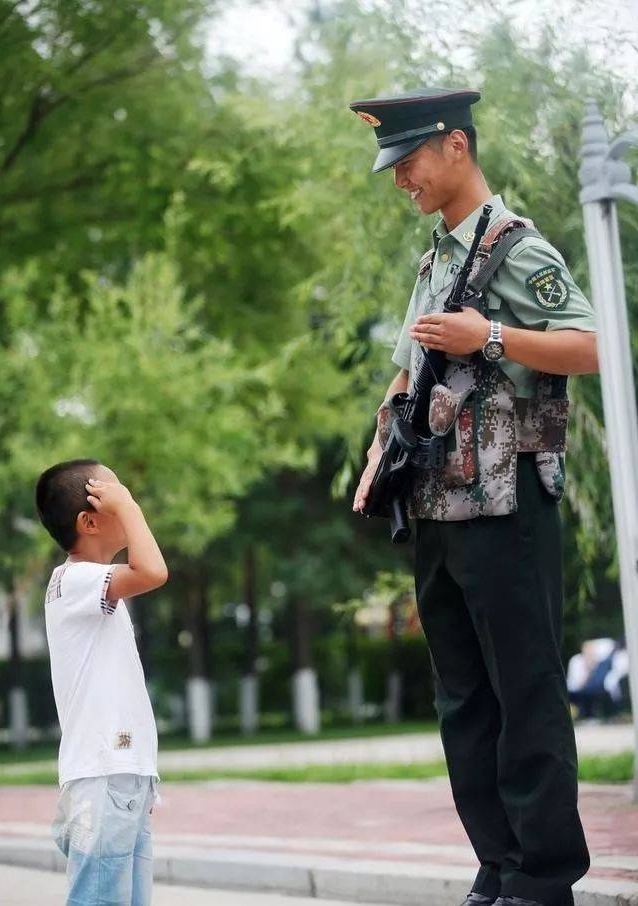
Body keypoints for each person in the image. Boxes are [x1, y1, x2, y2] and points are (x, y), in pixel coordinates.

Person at [350, 88, 598, 906]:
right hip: (438, 505)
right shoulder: (437, 258)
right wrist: (377, 446)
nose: (400, 179)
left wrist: (488, 336)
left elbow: (592, 346)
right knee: (464, 700)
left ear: (456, 146)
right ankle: (496, 865)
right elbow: (409, 368)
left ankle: (544, 876)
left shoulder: (518, 248)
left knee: (524, 691)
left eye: (410, 160)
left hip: (509, 503)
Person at [35, 458, 168, 906]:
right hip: (104, 773)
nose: (127, 499)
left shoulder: (90, 585)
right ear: (89, 521)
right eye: (114, 495)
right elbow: (153, 571)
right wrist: (131, 509)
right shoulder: (74, 581)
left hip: (118, 772)